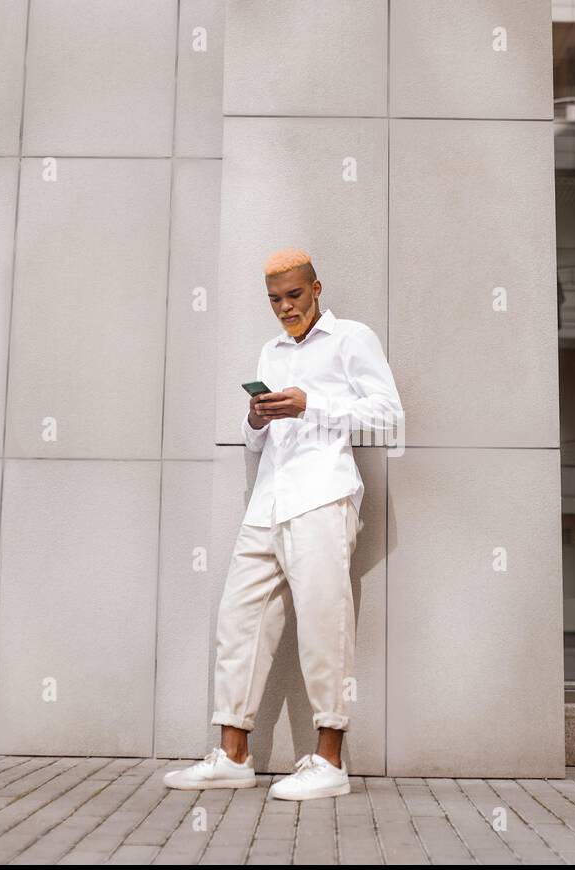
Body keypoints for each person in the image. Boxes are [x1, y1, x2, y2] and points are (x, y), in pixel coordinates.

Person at [163, 247, 404, 800]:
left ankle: (329, 761)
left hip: (323, 498)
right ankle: (232, 753)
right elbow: (262, 436)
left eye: (294, 296)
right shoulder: (270, 351)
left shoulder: (352, 338)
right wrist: (256, 418)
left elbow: (389, 415)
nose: (285, 308)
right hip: (268, 502)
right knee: (238, 623)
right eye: (275, 300)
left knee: (325, 626)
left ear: (316, 288)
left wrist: (310, 405)